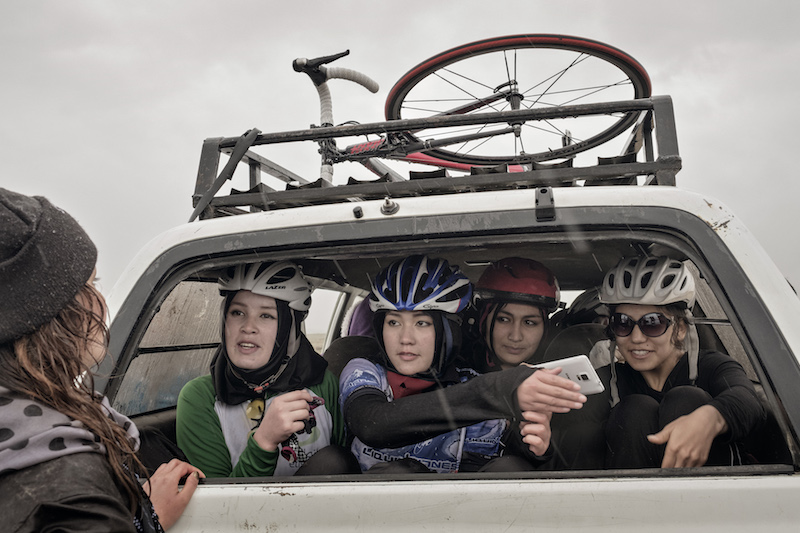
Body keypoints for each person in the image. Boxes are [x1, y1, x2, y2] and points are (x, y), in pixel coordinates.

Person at [0, 187, 203, 532]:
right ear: (45, 309)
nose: (101, 301)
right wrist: (146, 521)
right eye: (90, 284)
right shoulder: (71, 494)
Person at [338, 255, 582, 473]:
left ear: (448, 329)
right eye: (393, 322)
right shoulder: (364, 371)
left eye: (422, 323)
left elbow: (502, 460)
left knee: (511, 468)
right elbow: (373, 424)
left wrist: (533, 448)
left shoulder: (472, 382)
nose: (405, 339)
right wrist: (501, 390)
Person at [176, 261, 357, 477]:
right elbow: (217, 507)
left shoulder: (323, 383)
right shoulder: (200, 397)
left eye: (266, 315)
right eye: (237, 313)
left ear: (289, 329)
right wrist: (264, 441)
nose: (248, 327)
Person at [599, 256, 766, 468]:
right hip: (628, 498)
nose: (637, 338)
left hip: (712, 496)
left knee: (685, 399)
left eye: (652, 323)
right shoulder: (607, 379)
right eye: (623, 323)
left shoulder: (712, 366)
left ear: (680, 330)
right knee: (633, 410)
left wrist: (710, 418)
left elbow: (749, 401)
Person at [470, 257, 561, 372]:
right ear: (482, 321)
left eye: (529, 323)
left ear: (545, 329)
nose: (515, 337)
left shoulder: (565, 379)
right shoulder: (453, 381)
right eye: (503, 319)